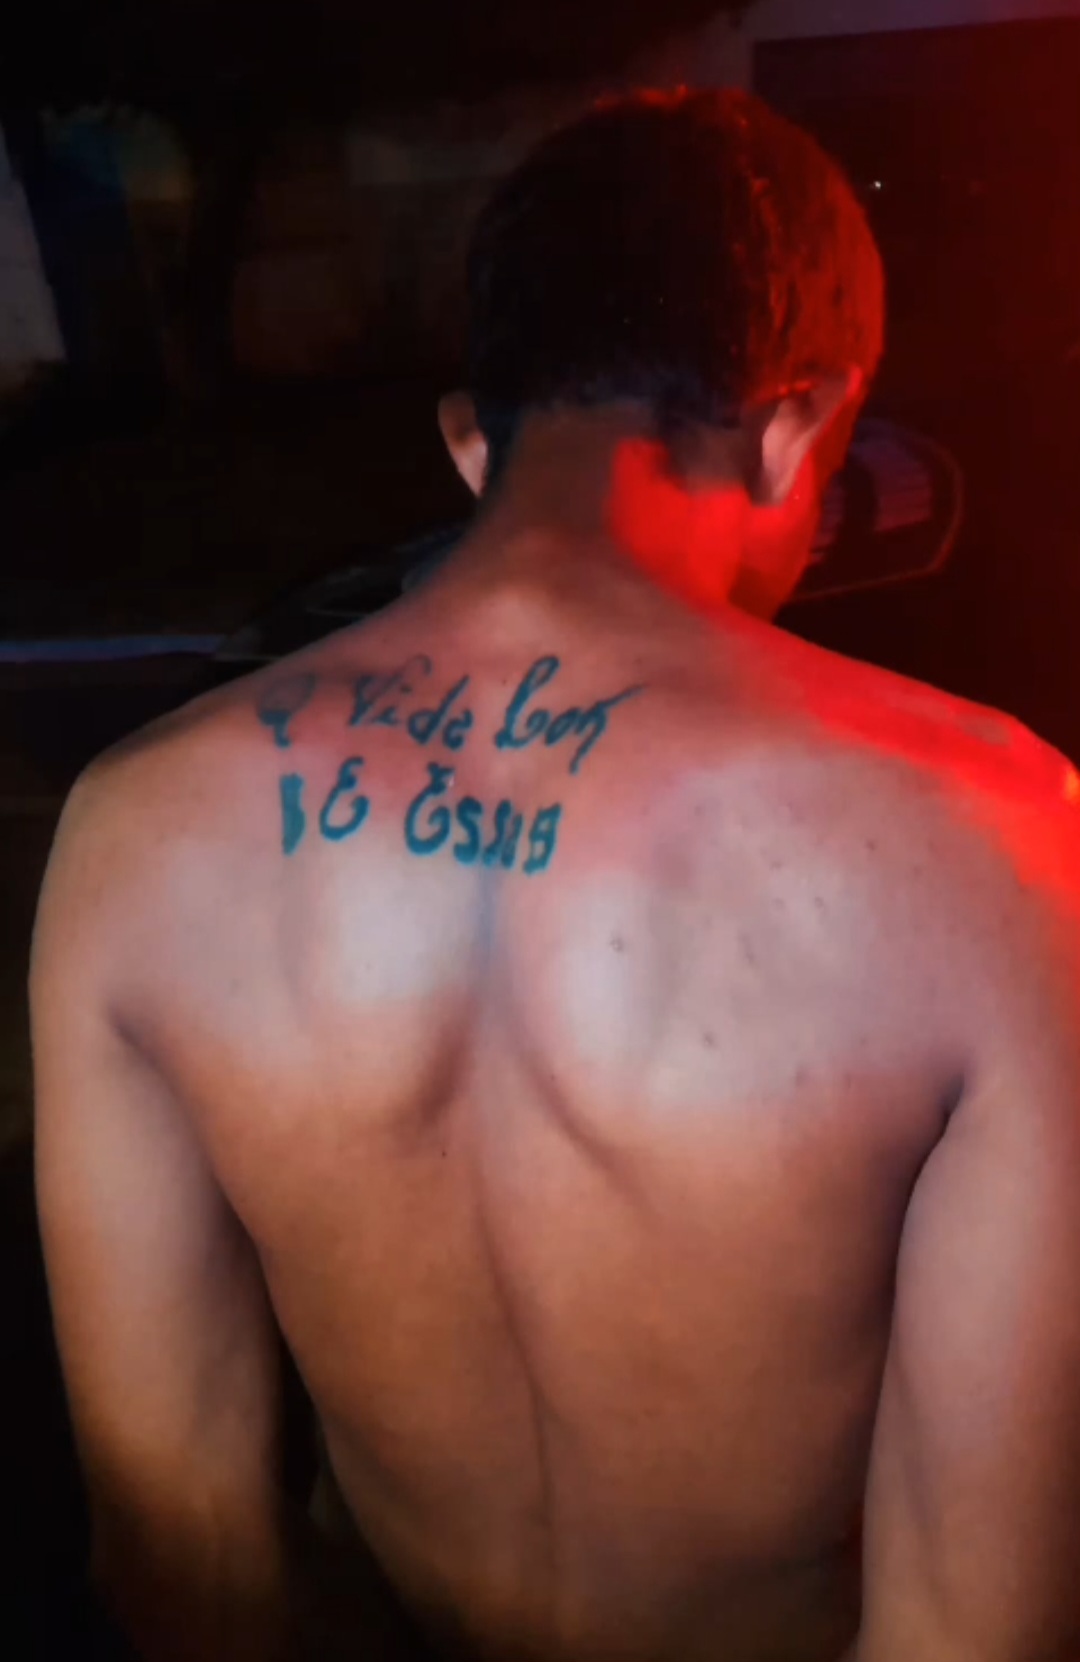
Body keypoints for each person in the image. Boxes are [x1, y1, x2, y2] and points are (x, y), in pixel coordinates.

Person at [31, 87, 1080, 1662]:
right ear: (797, 432)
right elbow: (979, 1629)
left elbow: (184, 1560)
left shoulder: (131, 832)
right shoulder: (1000, 844)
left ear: (471, 443)